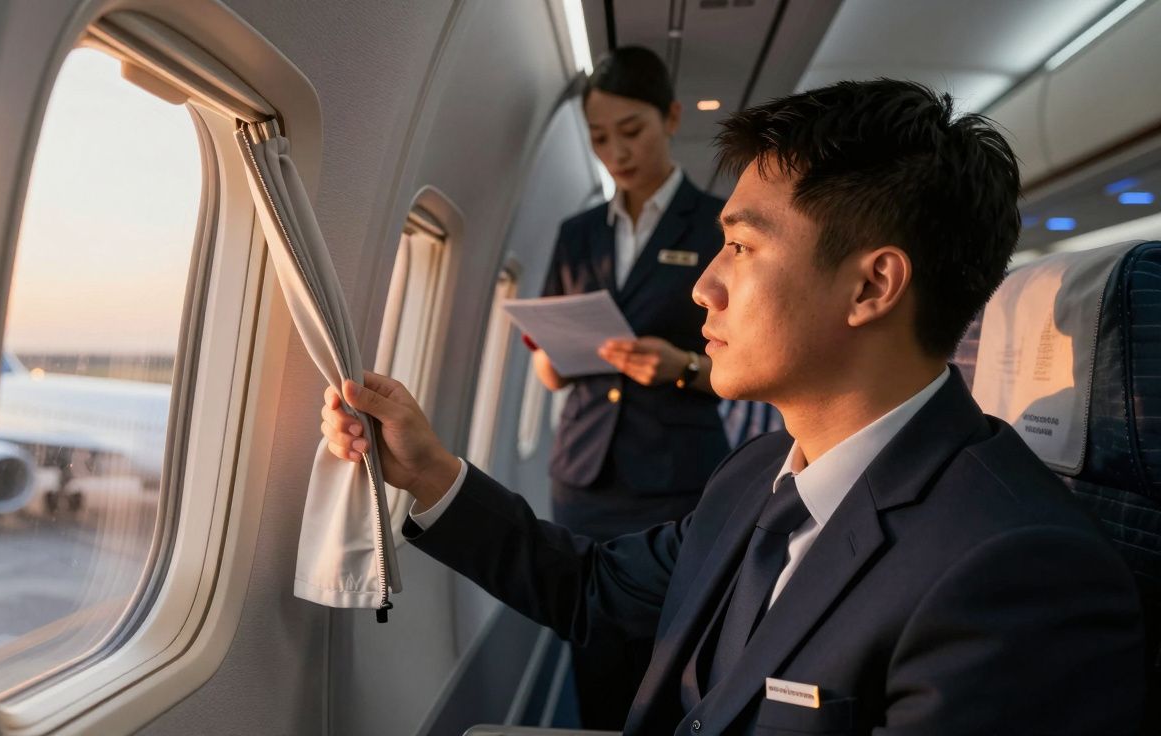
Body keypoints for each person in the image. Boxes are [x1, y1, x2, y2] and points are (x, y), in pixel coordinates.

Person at [320, 79, 1145, 734]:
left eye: (742, 246)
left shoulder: (1019, 574)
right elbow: (596, 590)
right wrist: (429, 473)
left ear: (872, 286)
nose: (703, 287)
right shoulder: (756, 474)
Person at [532, 46, 734, 727]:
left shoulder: (719, 226)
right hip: (583, 479)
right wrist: (555, 355)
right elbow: (548, 368)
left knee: (672, 658)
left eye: (631, 131)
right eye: (598, 138)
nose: (615, 152)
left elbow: (752, 365)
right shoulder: (578, 234)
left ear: (671, 117)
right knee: (592, 651)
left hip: (675, 477)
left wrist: (683, 366)